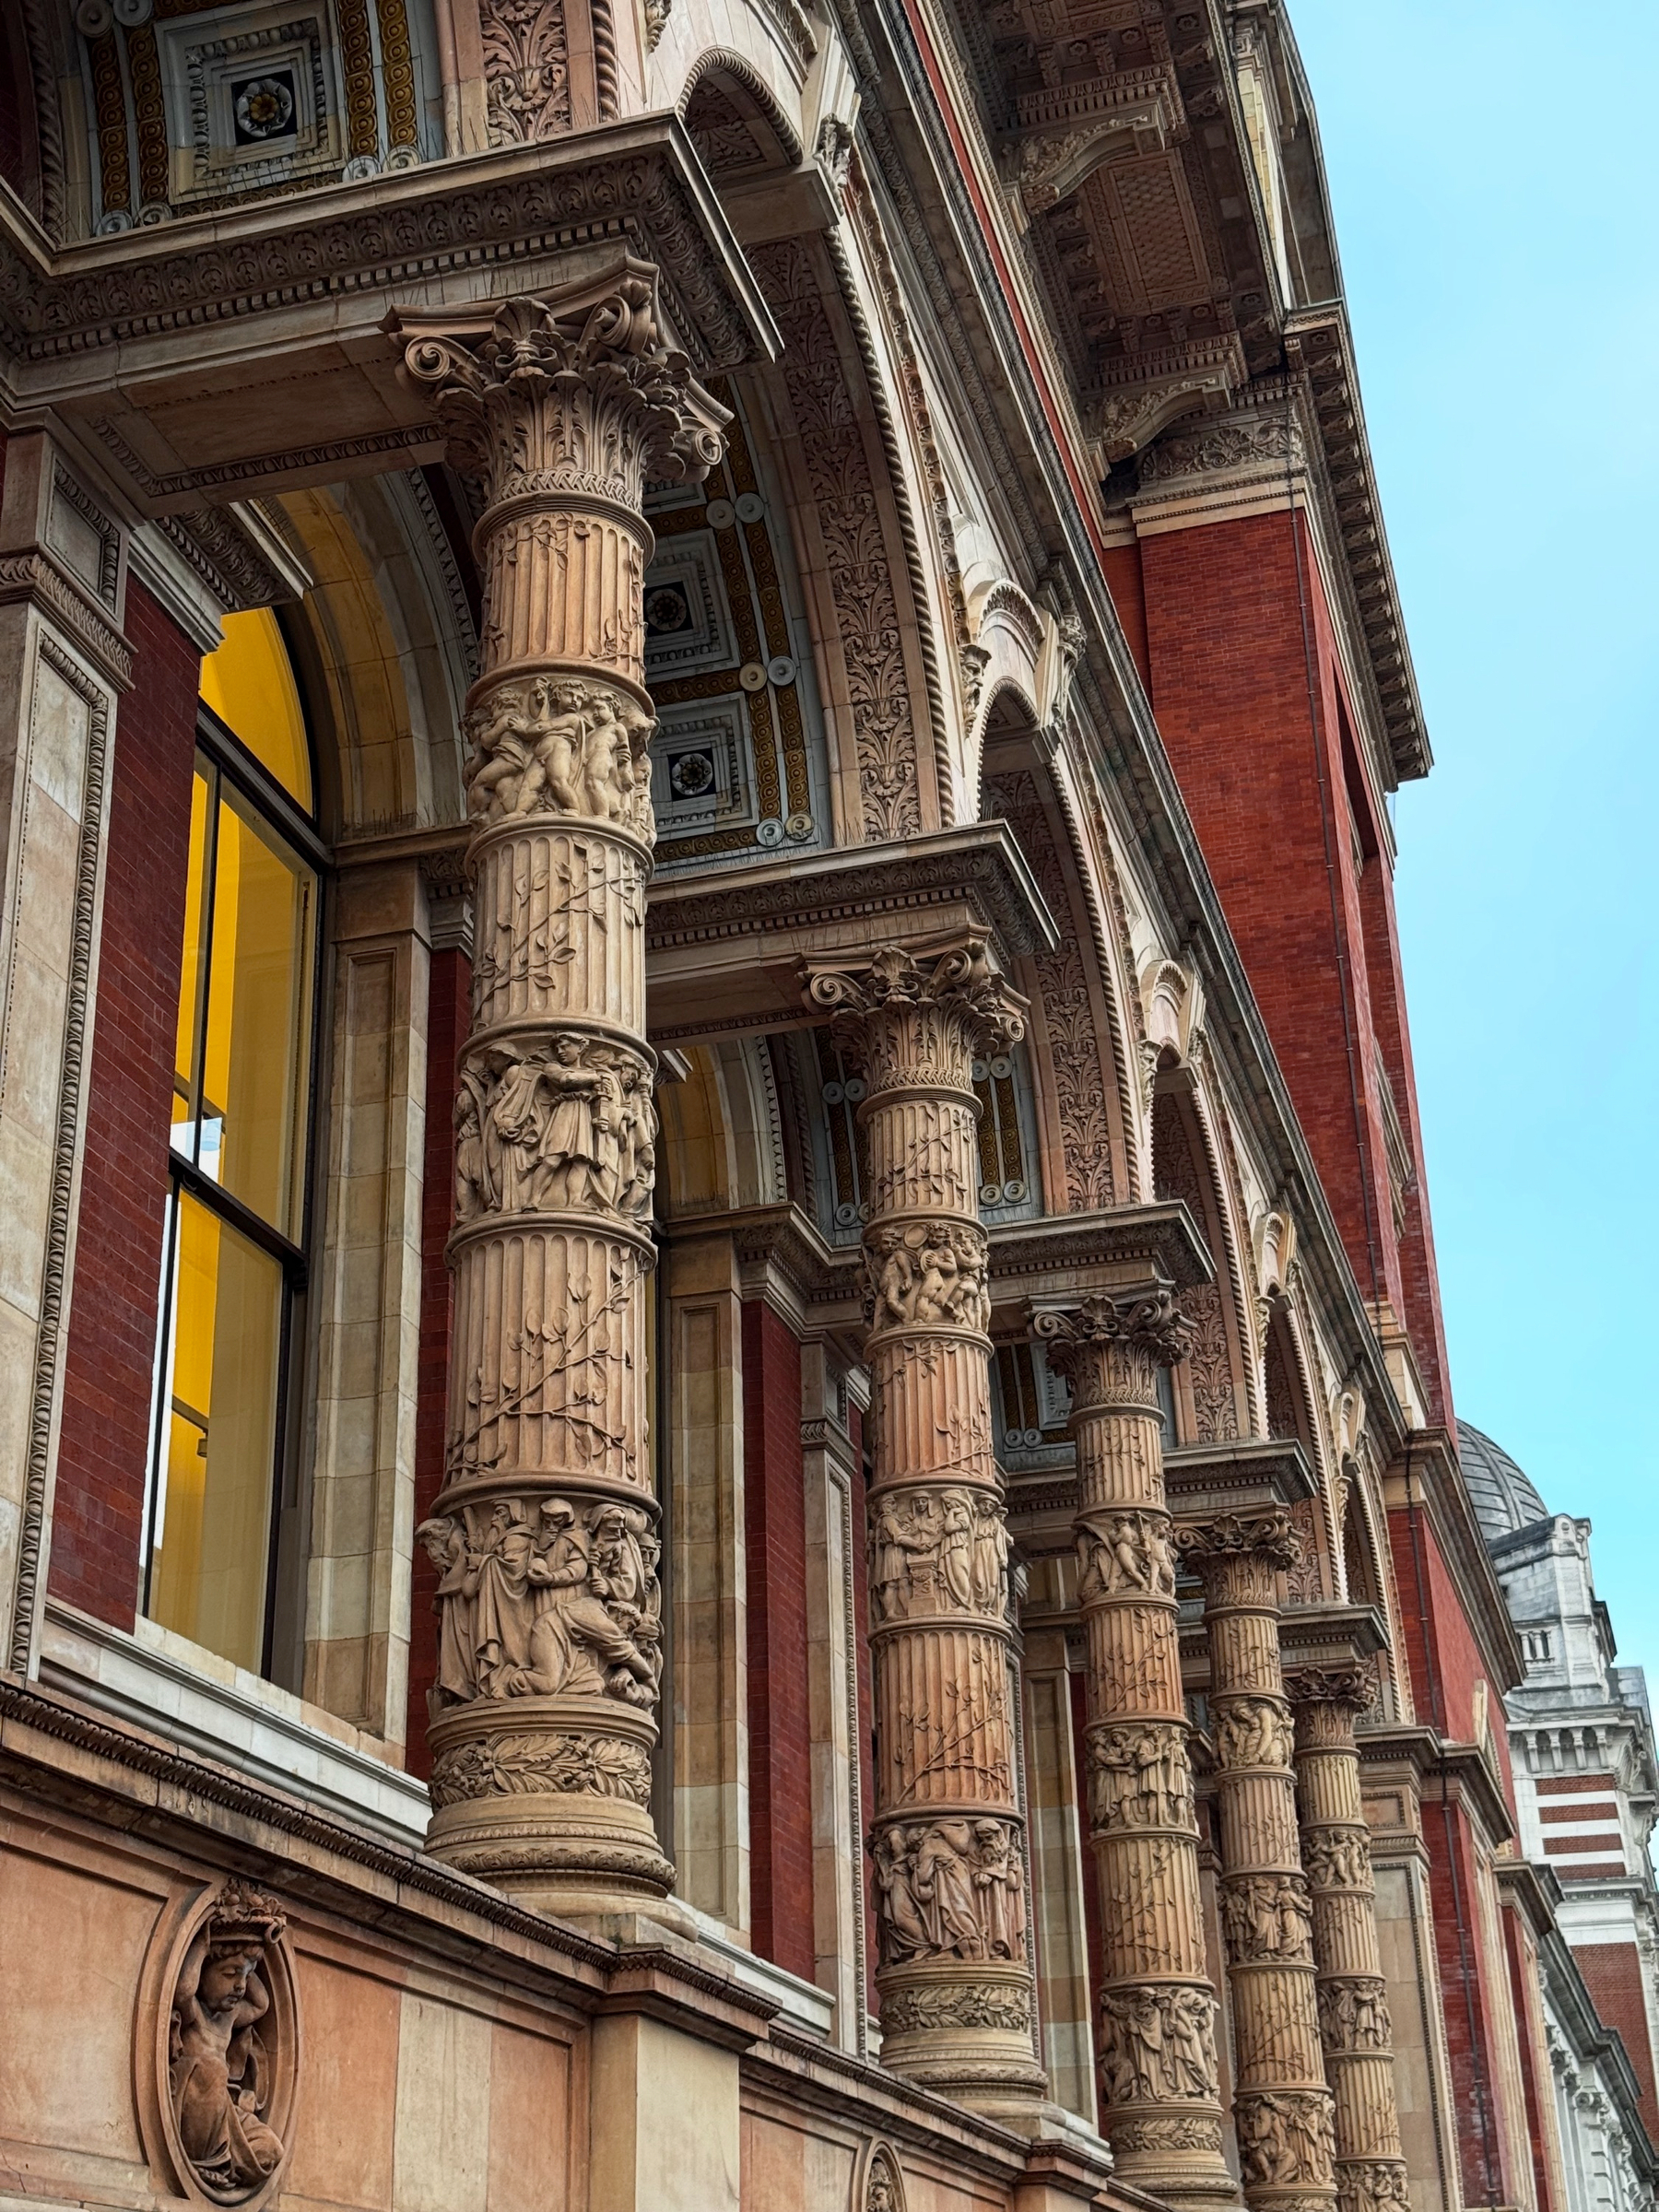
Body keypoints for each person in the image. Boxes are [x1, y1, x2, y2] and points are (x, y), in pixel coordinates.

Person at [170, 1918, 285, 2193]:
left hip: (225, 2110)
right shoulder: (195, 2013)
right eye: (229, 1974)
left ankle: (220, 2164)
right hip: (196, 2100)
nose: (240, 1986)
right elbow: (184, 1990)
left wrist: (251, 1956)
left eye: (244, 1977)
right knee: (211, 2070)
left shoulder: (230, 2017)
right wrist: (201, 1948)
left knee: (271, 2149)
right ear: (203, 1973)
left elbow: (261, 2004)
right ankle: (207, 2162)